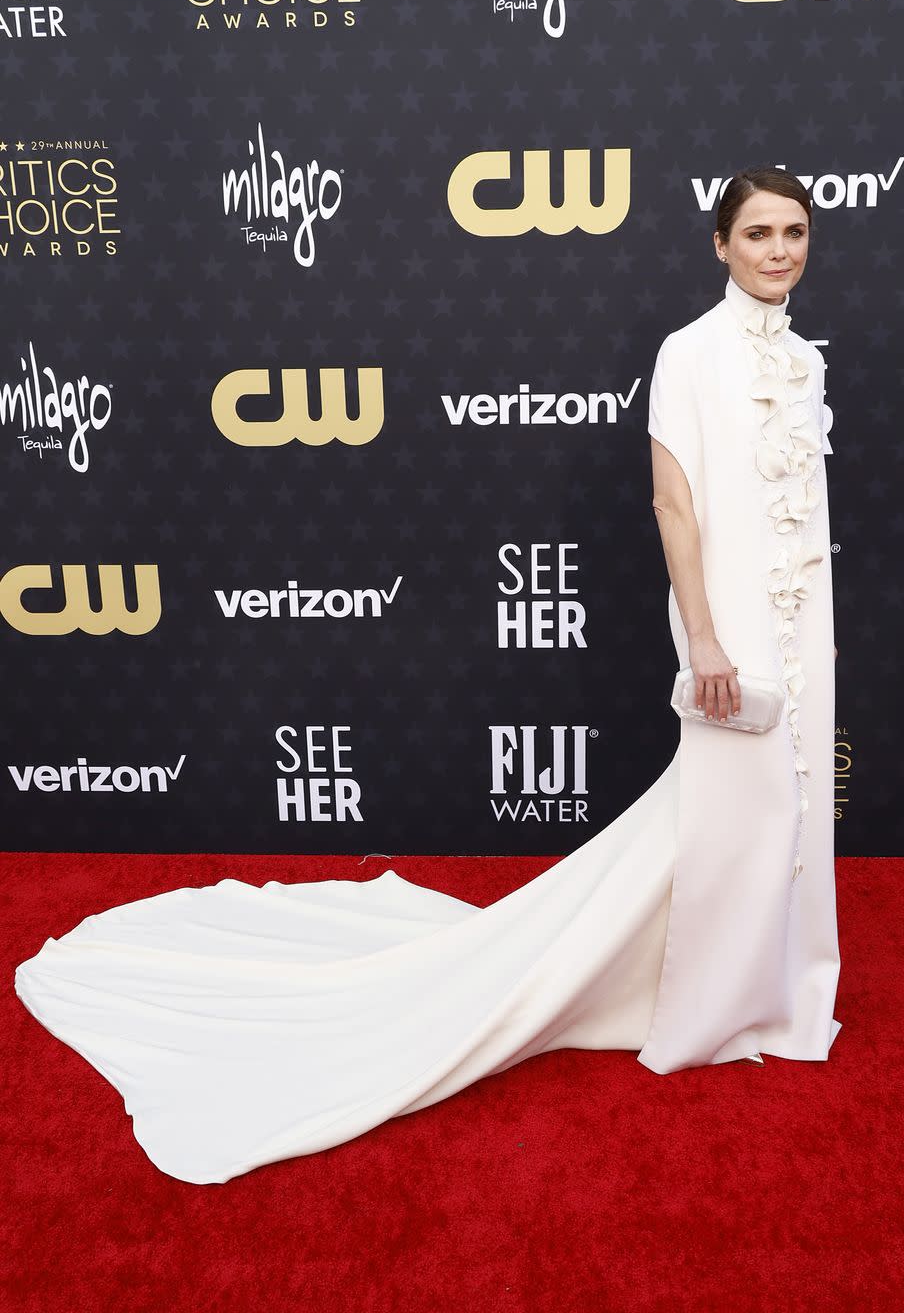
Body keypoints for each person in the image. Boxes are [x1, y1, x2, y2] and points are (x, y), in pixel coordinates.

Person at [14, 164, 841, 1186]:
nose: (778, 250)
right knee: (726, 802)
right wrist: (705, 639)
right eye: (757, 231)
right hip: (731, 624)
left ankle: (772, 983)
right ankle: (708, 998)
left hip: (804, 619)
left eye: (794, 232)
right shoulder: (689, 353)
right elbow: (677, 507)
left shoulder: (803, 360)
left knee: (782, 807)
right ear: (720, 244)